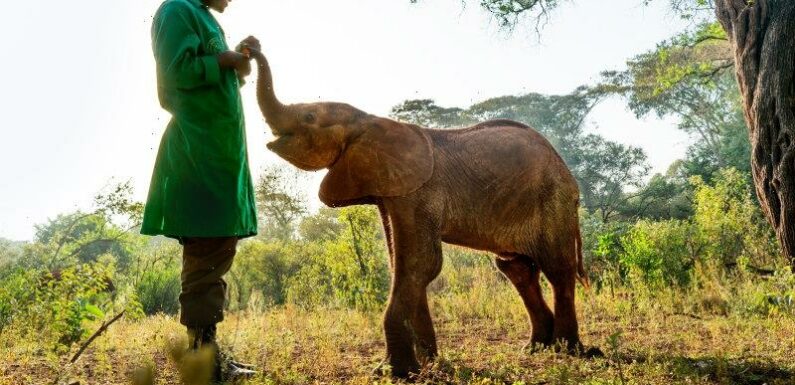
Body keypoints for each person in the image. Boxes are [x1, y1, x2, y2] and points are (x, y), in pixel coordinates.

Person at [141, 0, 259, 381]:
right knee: (205, 253)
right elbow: (174, 78)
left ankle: (207, 356)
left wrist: (238, 66)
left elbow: (215, 81)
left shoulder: (205, 18)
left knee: (218, 248)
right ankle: (203, 364)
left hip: (223, 157)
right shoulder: (177, 10)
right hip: (199, 153)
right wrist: (223, 61)